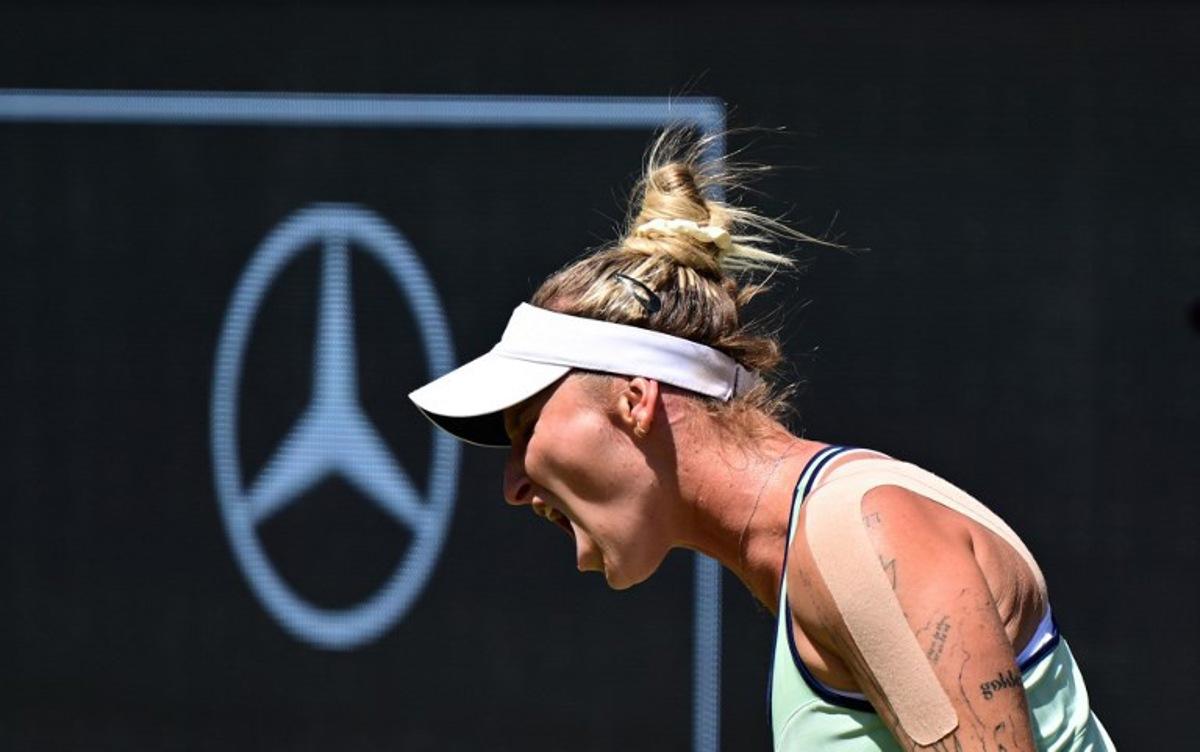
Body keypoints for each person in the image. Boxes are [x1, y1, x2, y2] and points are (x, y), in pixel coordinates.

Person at [409, 132, 1115, 751]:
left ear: (634, 398)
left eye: (526, 429)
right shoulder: (816, 557)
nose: (513, 485)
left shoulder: (864, 541)